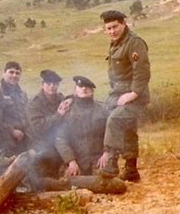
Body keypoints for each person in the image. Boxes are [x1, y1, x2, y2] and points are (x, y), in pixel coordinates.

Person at [98, 10, 151, 182]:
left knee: (115, 120)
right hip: (118, 94)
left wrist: (133, 94)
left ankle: (111, 163)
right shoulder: (116, 43)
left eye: (115, 27)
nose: (112, 31)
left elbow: (142, 71)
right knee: (127, 129)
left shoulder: (134, 43)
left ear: (123, 23)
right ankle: (131, 170)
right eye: (108, 28)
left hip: (134, 95)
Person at [55, 76, 109, 177]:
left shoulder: (103, 109)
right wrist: (70, 161)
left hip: (98, 159)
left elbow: (112, 133)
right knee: (68, 182)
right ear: (75, 91)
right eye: (80, 87)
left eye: (87, 87)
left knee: (106, 180)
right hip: (76, 160)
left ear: (92, 91)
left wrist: (107, 153)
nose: (84, 89)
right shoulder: (67, 110)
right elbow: (60, 139)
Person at [27, 69, 72, 177]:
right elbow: (39, 127)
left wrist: (71, 99)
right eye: (48, 83)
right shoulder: (35, 103)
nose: (52, 86)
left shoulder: (59, 98)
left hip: (59, 139)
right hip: (41, 141)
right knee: (49, 159)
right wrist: (58, 115)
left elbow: (72, 99)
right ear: (43, 85)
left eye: (55, 84)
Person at [0, 61, 31, 157]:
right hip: (4, 136)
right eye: (11, 72)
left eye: (17, 73)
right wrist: (11, 131)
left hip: (23, 134)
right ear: (4, 73)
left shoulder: (22, 94)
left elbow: (27, 115)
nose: (14, 75)